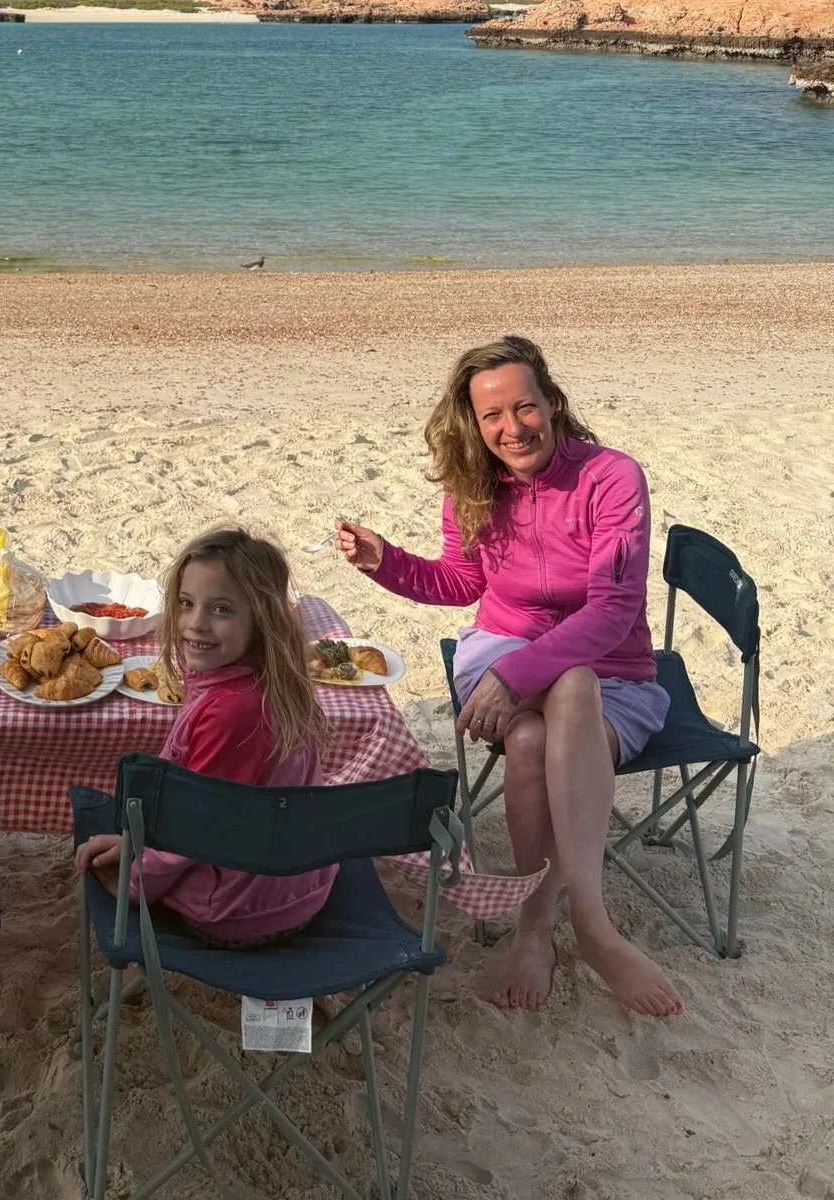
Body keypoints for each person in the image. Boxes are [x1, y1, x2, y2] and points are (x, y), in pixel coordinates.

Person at [336, 335, 683, 1019]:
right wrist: (387, 562)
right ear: (474, 422)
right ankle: (579, 923)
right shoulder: (474, 484)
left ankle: (548, 924)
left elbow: (614, 611)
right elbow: (461, 582)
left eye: (524, 407)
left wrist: (520, 676)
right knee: (562, 690)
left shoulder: (611, 477)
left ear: (552, 403)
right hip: (499, 651)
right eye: (491, 415)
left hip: (611, 671)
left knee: (540, 727)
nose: (511, 428)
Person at [74, 527, 335, 947]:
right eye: (186, 603)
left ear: (261, 620)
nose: (196, 624)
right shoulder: (269, 678)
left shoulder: (234, 712)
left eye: (222, 609)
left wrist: (133, 878)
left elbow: (197, 830)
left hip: (242, 908)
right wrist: (133, 841)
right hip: (295, 879)